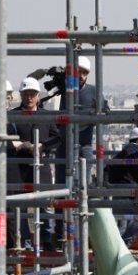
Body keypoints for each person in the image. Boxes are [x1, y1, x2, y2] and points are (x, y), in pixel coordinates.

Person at [7, 76, 62, 249]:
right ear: (21, 95)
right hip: (19, 167)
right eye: (26, 94)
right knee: (20, 207)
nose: (29, 97)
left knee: (44, 205)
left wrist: (43, 145)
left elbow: (57, 137)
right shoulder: (12, 116)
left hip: (42, 165)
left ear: (38, 95)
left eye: (33, 94)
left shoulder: (46, 116)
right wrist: (21, 145)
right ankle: (22, 240)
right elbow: (5, 139)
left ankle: (46, 240)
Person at [56, 54, 101, 188]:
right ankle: (61, 209)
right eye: (78, 72)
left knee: (83, 185)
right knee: (61, 185)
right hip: (64, 144)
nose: (81, 76)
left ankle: (81, 208)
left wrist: (92, 114)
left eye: (84, 72)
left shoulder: (93, 91)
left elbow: (105, 110)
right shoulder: (65, 90)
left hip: (84, 144)